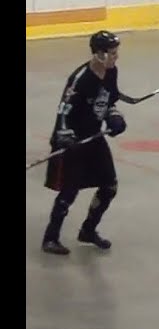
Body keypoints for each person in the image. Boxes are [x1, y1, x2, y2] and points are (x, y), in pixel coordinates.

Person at [40, 31, 128, 255]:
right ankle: (50, 238)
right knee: (70, 190)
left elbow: (108, 101)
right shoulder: (80, 79)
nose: (116, 57)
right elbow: (63, 111)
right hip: (72, 141)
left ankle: (88, 230)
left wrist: (114, 117)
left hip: (93, 138)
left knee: (110, 186)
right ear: (98, 54)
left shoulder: (111, 72)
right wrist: (65, 136)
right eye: (112, 53)